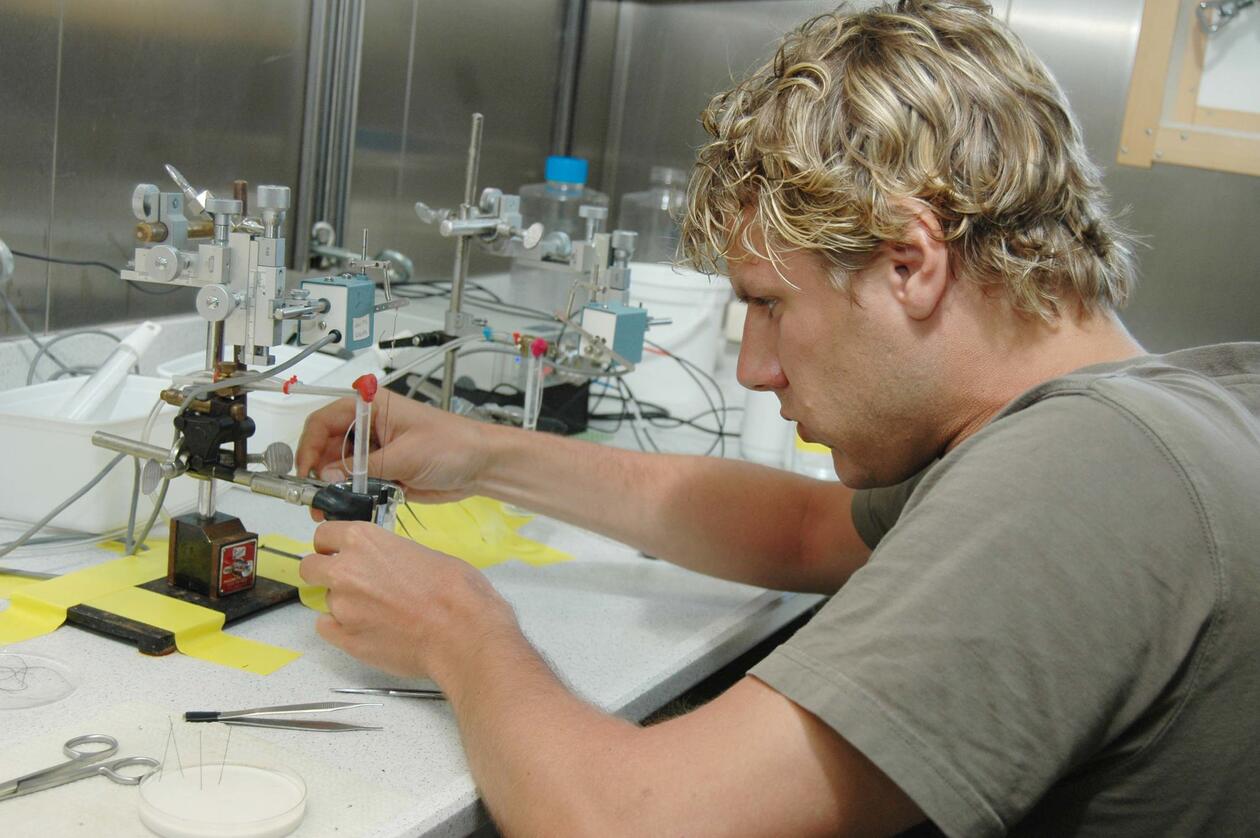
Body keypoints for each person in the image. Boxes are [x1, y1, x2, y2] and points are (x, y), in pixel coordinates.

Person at [295, 1, 1260, 834]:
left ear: (910, 262)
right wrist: (483, 453)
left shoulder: (1089, 474)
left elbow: (626, 823)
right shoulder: (1182, 409)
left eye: (769, 305)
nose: (754, 369)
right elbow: (803, 530)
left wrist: (457, 629)